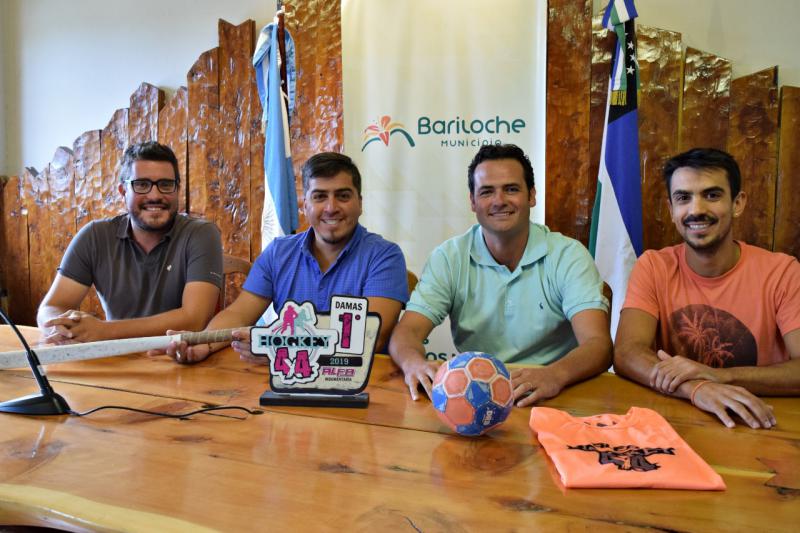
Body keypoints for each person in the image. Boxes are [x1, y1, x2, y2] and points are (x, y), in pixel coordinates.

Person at [388, 144, 612, 407]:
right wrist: (413, 363)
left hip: (557, 392)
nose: (499, 201)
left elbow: (598, 345)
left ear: (532, 196)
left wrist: (555, 375)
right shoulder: (449, 258)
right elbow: (407, 331)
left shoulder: (568, 255)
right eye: (487, 192)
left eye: (511, 189)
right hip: (477, 396)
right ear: (473, 202)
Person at [614, 148, 800, 429]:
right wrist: (696, 388)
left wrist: (720, 376)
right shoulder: (653, 266)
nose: (696, 210)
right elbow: (626, 353)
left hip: (759, 422)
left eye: (711, 195)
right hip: (676, 421)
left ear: (738, 203)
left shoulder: (783, 272)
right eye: (683, 198)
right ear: (671, 210)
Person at [165, 152, 408, 364]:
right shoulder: (278, 253)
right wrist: (204, 344)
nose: (331, 207)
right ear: (305, 205)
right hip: (285, 381)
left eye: (343, 196)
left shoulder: (385, 256)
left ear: (360, 203)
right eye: (320, 196)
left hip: (359, 384)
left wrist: (280, 349)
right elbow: (238, 315)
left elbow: (370, 337)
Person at [37, 141, 223, 343]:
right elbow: (51, 307)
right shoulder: (95, 236)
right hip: (116, 356)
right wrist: (61, 327)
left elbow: (194, 319)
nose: (155, 195)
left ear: (177, 189)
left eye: (165, 184)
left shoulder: (201, 234)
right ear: (123, 191)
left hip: (181, 355)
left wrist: (104, 331)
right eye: (141, 185)